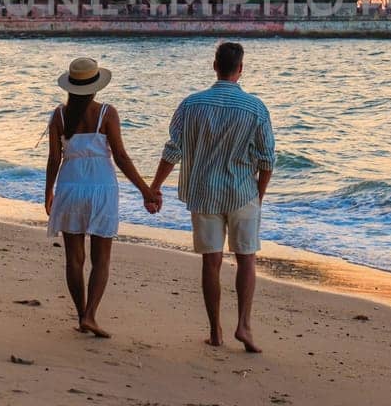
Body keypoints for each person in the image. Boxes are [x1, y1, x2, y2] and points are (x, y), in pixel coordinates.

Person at [148, 42, 275, 352]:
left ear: (214, 66)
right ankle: (244, 326)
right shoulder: (255, 108)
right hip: (242, 191)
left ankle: (215, 331)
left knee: (212, 262)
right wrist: (258, 195)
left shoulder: (191, 105)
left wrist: (155, 187)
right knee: (246, 259)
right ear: (240, 69)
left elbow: (173, 150)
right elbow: (267, 159)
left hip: (204, 192)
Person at [45, 56, 160, 338]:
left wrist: (48, 191)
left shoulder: (59, 115)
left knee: (74, 259)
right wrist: (146, 191)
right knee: (101, 259)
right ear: (95, 87)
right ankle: (91, 316)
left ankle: (82, 313)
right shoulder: (107, 113)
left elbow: (53, 158)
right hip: (101, 187)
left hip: (70, 186)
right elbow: (120, 157)